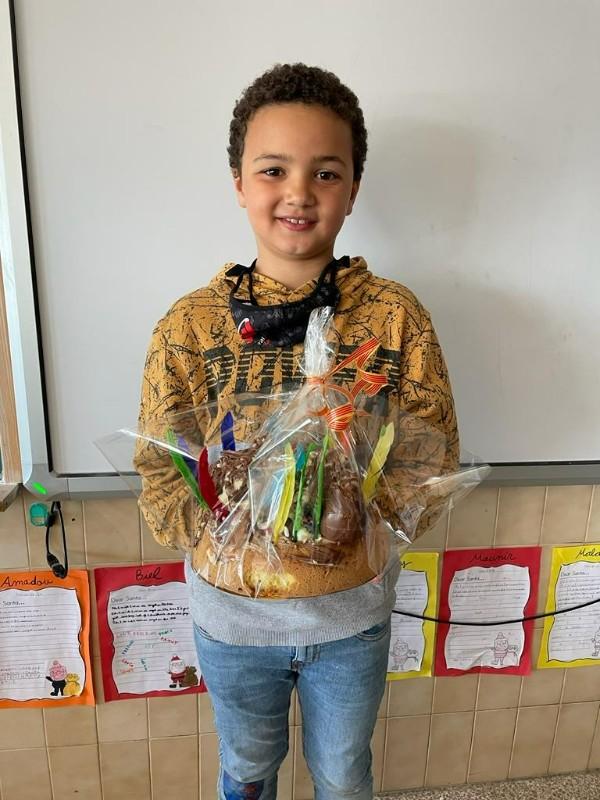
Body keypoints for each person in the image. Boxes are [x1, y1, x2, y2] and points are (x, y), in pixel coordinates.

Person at [136, 63, 459, 800]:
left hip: (350, 618)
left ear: (354, 188)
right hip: (232, 621)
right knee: (247, 770)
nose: (299, 192)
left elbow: (432, 457)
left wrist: (356, 515)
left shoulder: (393, 317)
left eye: (326, 172)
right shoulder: (189, 326)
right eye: (273, 169)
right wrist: (230, 523)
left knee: (343, 773)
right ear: (238, 182)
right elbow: (159, 467)